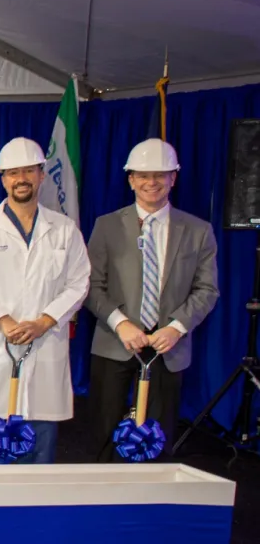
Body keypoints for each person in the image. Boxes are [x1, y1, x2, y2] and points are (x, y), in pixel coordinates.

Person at [0, 138, 90, 463]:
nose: (21, 179)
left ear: (42, 175)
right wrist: (4, 321)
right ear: (2, 179)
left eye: (29, 170)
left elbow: (79, 282)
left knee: (39, 450)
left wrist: (45, 321)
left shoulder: (65, 230)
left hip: (44, 348)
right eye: (13, 173)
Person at [85, 139, 219, 458]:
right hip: (115, 341)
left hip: (167, 346)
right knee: (105, 429)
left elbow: (207, 289)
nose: (151, 183)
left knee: (158, 435)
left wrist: (176, 328)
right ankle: (104, 495)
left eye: (160, 175)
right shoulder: (107, 225)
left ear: (174, 178)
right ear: (131, 179)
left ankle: (150, 499)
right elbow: (90, 284)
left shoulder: (198, 230)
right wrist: (121, 324)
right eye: (143, 175)